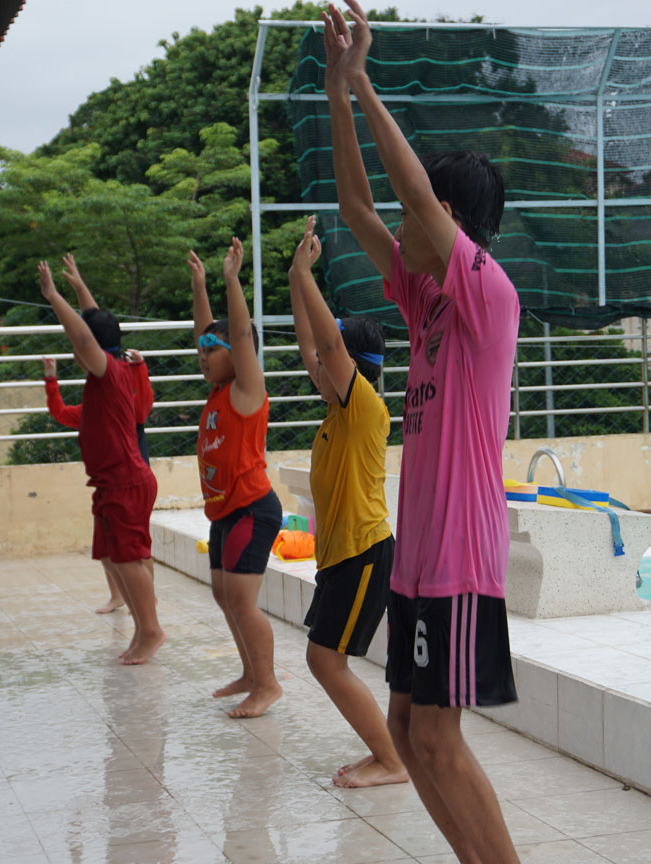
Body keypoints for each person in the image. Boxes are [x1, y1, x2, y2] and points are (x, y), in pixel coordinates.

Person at [324, 2, 522, 860]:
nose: (404, 229)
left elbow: (402, 194)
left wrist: (364, 77)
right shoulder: (426, 302)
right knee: (408, 731)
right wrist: (337, 94)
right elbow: (358, 203)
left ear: (447, 214)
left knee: (437, 738)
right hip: (418, 555)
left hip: (460, 555)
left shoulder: (487, 293)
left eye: (424, 212)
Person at [288, 216, 407, 788]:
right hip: (344, 556)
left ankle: (391, 761)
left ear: (354, 368)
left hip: (364, 552)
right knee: (325, 659)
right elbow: (313, 344)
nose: (318, 366)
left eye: (332, 361)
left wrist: (307, 274)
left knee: (324, 659)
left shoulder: (362, 407)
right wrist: (295, 276)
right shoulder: (342, 409)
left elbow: (327, 344)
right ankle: (386, 755)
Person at [37, 258, 165, 664]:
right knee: (113, 556)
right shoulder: (110, 371)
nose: (77, 350)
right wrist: (79, 287)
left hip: (126, 481)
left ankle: (151, 631)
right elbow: (96, 329)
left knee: (128, 557)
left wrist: (54, 296)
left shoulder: (109, 372)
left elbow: (85, 338)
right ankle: (144, 628)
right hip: (113, 482)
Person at [190, 241, 283, 718]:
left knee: (243, 600)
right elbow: (211, 332)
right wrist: (199, 286)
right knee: (224, 594)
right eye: (201, 349)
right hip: (225, 510)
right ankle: (250, 672)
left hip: (251, 506)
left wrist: (230, 280)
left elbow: (240, 335)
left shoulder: (247, 391)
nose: (203, 354)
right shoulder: (218, 392)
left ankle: (267, 685)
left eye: (212, 349)